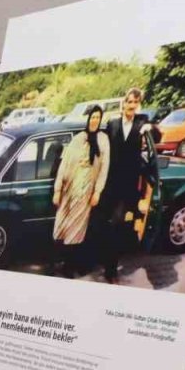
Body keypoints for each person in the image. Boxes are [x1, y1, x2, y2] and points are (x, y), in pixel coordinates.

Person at [97, 87, 160, 283]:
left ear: (138, 104)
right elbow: (101, 145)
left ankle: (111, 270)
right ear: (123, 103)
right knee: (105, 224)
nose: (132, 106)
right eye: (129, 102)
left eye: (135, 102)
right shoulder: (112, 123)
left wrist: (151, 128)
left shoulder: (142, 122)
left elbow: (157, 138)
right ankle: (103, 259)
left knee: (116, 224)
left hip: (127, 187)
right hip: (108, 183)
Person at [51, 106, 110, 278]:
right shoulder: (78, 139)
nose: (95, 120)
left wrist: (97, 192)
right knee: (62, 226)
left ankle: (70, 267)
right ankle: (57, 264)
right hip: (70, 189)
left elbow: (104, 168)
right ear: (88, 118)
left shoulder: (103, 139)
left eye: (98, 117)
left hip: (86, 192)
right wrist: (58, 190)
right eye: (92, 116)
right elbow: (65, 164)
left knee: (77, 229)